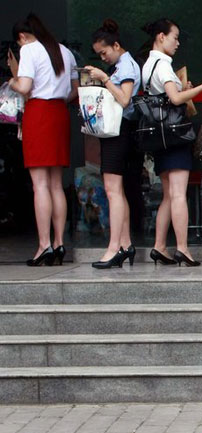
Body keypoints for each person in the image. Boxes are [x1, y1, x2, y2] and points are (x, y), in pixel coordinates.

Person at [141, 18, 202, 267]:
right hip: (175, 136)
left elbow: (169, 96)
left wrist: (183, 87)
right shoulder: (163, 64)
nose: (177, 43)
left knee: (168, 194)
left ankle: (159, 245)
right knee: (178, 194)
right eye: (175, 37)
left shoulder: (149, 64)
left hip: (161, 137)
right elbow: (176, 99)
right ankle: (183, 249)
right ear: (161, 37)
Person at [7, 14, 77, 267]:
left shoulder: (29, 51)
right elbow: (74, 90)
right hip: (59, 113)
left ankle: (43, 245)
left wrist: (11, 80)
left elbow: (25, 87)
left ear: (22, 37)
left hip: (38, 113)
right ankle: (59, 243)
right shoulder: (65, 52)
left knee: (40, 185)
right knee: (56, 184)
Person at [84, 19, 142, 269]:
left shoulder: (126, 66)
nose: (103, 58)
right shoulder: (122, 65)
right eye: (99, 54)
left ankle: (114, 246)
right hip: (116, 132)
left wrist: (104, 79)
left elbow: (125, 99)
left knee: (113, 191)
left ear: (116, 45)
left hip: (120, 132)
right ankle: (125, 243)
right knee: (115, 191)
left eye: (104, 52)